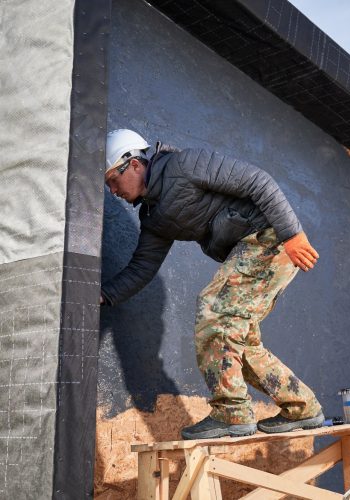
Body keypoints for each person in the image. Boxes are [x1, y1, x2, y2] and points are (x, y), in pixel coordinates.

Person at [101, 129, 324, 439]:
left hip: (269, 238)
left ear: (134, 165)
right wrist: (103, 296)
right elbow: (142, 268)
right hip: (254, 248)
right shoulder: (154, 218)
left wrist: (293, 234)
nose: (112, 190)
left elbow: (257, 181)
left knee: (214, 310)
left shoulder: (185, 166)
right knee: (237, 338)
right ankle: (302, 407)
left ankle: (231, 413)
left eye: (113, 180)